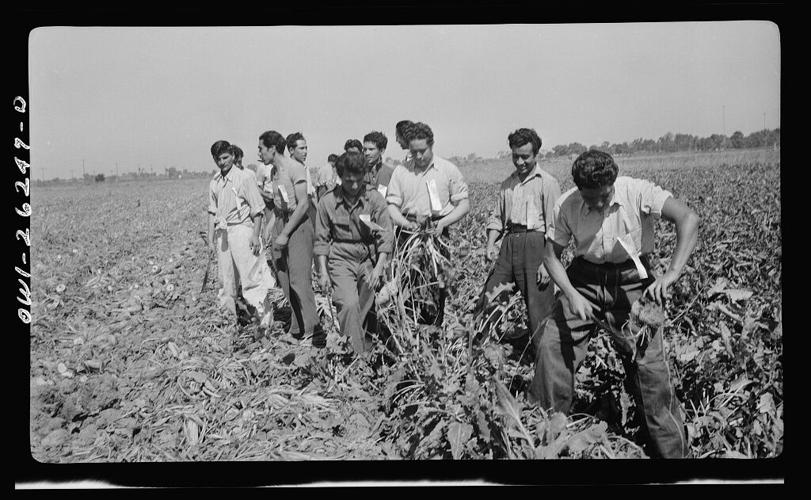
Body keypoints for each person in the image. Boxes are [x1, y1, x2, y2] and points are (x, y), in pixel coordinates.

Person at [532, 149, 700, 458]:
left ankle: (671, 453)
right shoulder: (566, 205)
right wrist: (571, 294)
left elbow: (688, 218)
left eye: (604, 196)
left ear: (614, 181)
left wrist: (672, 273)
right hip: (584, 279)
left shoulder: (638, 191)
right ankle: (544, 437)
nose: (598, 204)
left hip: (633, 277)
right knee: (552, 345)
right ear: (578, 189)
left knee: (650, 367)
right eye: (590, 198)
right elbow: (550, 256)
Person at [479, 128, 561, 347]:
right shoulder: (508, 184)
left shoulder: (547, 183)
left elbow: (556, 227)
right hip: (509, 243)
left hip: (536, 245)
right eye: (516, 156)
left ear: (536, 155)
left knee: (539, 307)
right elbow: (497, 217)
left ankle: (544, 359)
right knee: (490, 296)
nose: (520, 161)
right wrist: (490, 244)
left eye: (525, 156)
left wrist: (548, 262)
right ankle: (485, 351)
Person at [386, 121, 470, 326]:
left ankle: (433, 329)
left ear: (432, 145)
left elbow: (464, 204)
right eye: (414, 152)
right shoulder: (401, 171)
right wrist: (406, 224)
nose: (418, 156)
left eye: (422, 151)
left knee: (436, 282)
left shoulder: (447, 170)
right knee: (406, 280)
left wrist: (444, 223)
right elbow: (391, 207)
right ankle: (408, 326)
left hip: (437, 233)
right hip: (408, 234)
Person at [315, 152, 394, 354]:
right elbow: (321, 240)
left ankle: (368, 350)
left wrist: (378, 268)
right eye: (349, 180)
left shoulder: (374, 199)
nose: (354, 185)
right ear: (341, 177)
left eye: (359, 180)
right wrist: (322, 272)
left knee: (367, 307)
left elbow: (385, 236)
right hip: (341, 257)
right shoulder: (327, 202)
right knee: (348, 305)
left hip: (369, 257)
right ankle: (354, 357)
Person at [257, 130, 325, 348]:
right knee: (284, 278)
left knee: (299, 279)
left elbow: (303, 204)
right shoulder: (274, 172)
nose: (259, 153)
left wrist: (286, 233)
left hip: (298, 227)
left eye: (261, 148)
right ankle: (297, 328)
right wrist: (270, 227)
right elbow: (279, 205)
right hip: (281, 223)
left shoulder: (295, 168)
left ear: (272, 148)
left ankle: (314, 331)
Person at [207, 140, 275, 333]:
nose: (222, 162)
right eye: (218, 159)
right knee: (225, 279)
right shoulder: (215, 182)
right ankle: (228, 320)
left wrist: (255, 235)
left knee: (250, 276)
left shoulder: (245, 178)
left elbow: (258, 210)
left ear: (233, 156)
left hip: (242, 230)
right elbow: (212, 212)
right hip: (223, 233)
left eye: (225, 158)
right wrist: (211, 240)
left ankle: (265, 318)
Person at [362, 131, 395, 195]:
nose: (367, 153)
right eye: (365, 149)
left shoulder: (390, 173)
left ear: (381, 151)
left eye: (371, 149)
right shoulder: (359, 172)